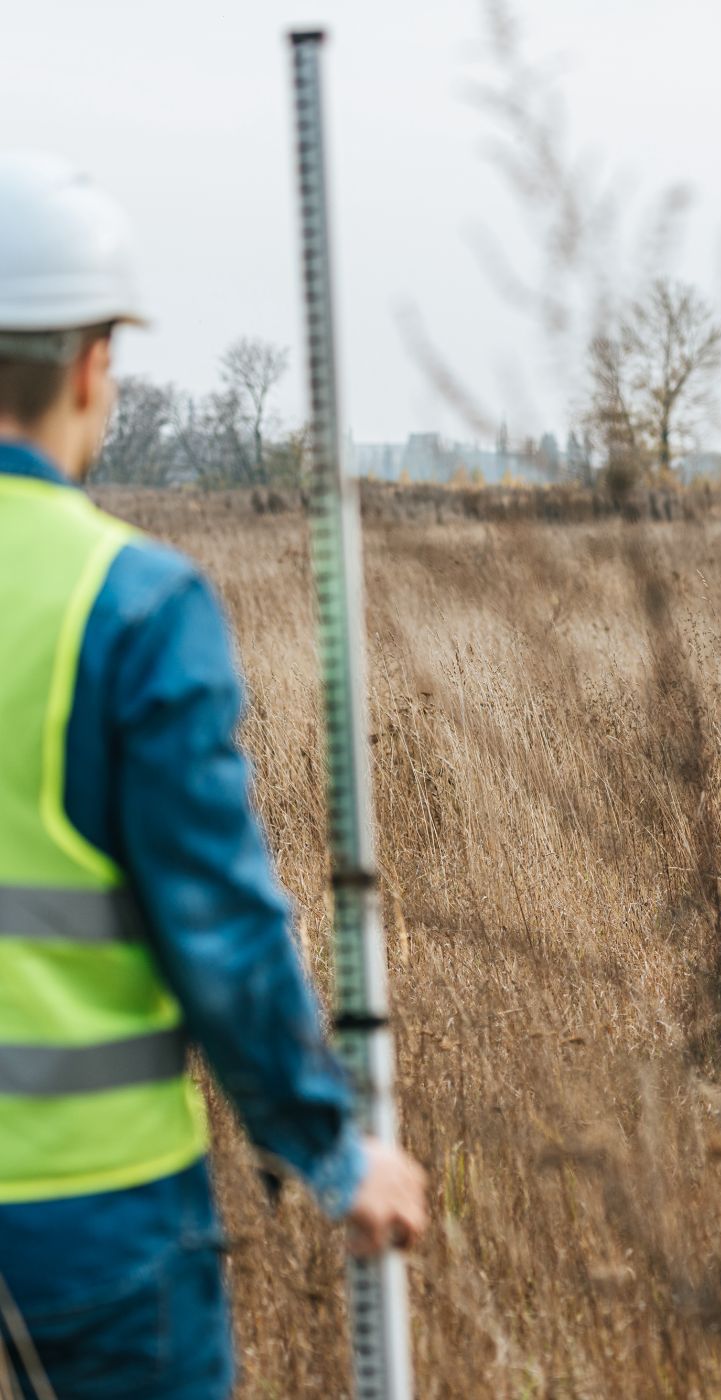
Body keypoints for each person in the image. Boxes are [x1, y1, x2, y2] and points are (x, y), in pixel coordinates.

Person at [0, 154, 427, 1398]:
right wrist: (333, 1148)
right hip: (92, 1230)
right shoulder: (130, 604)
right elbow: (221, 931)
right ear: (91, 369)